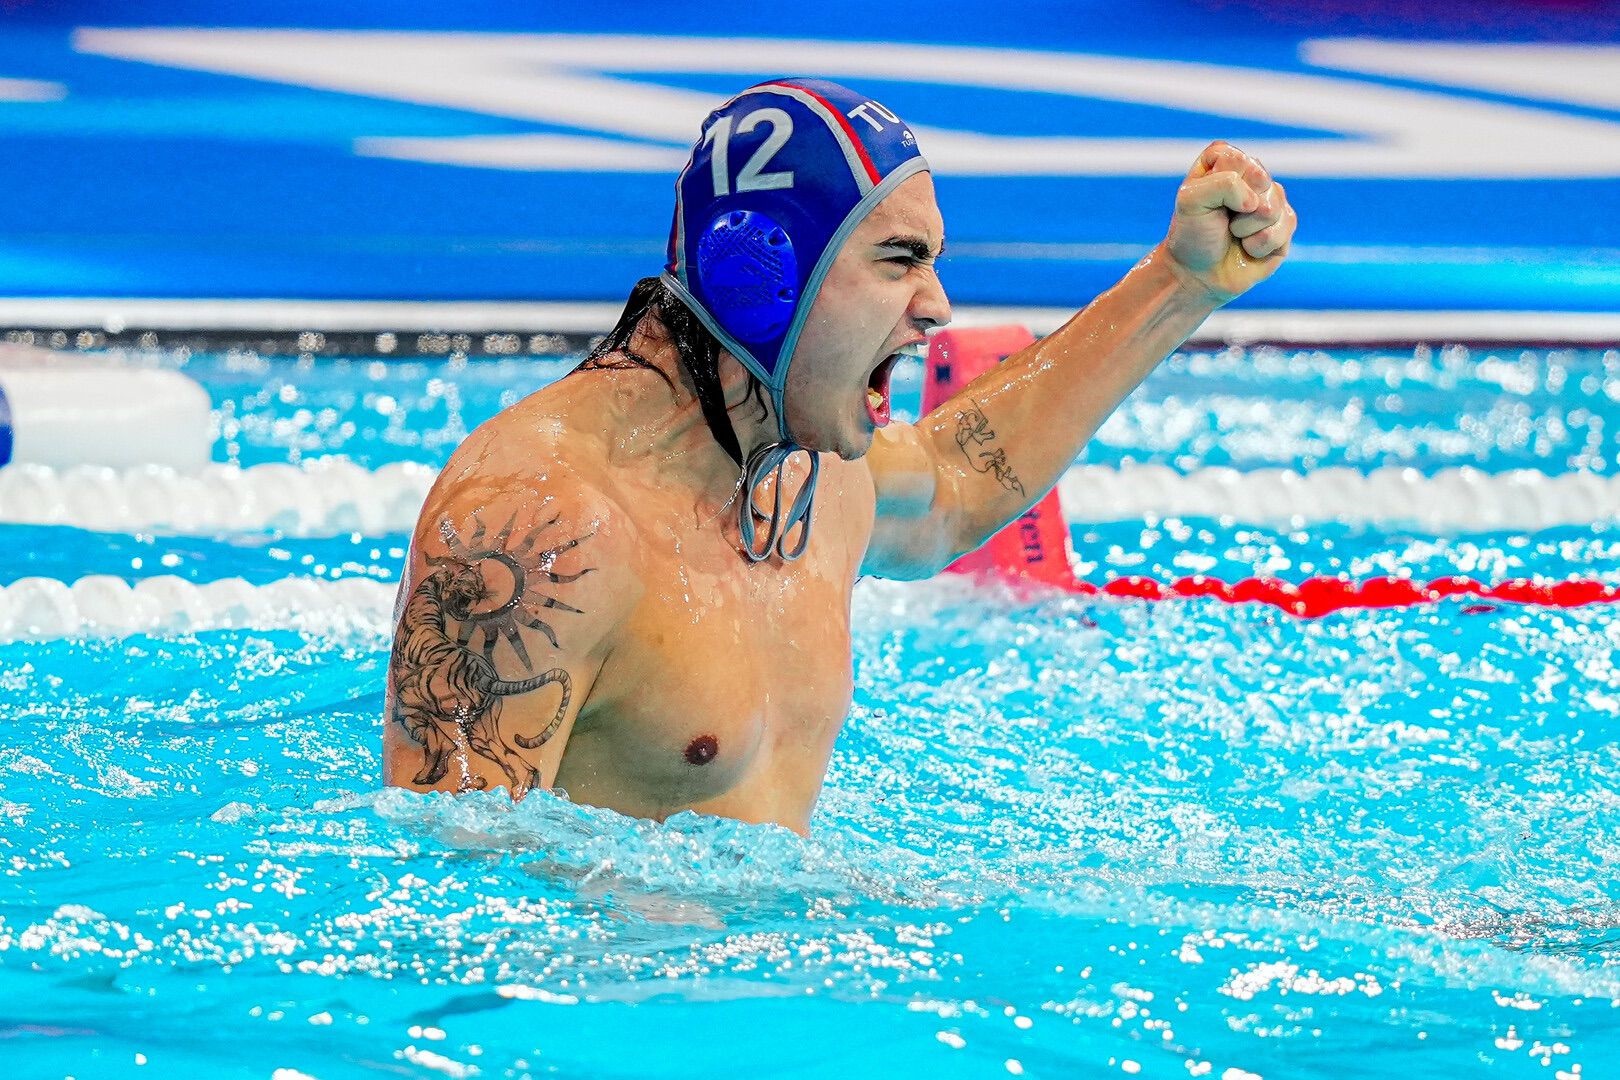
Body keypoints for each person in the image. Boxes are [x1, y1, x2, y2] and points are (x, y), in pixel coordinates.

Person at [382, 78, 1296, 833]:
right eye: (899, 260)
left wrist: (1180, 284)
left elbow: (952, 484)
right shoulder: (537, 533)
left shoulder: (806, 470)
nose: (937, 306)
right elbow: (455, 879)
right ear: (761, 276)